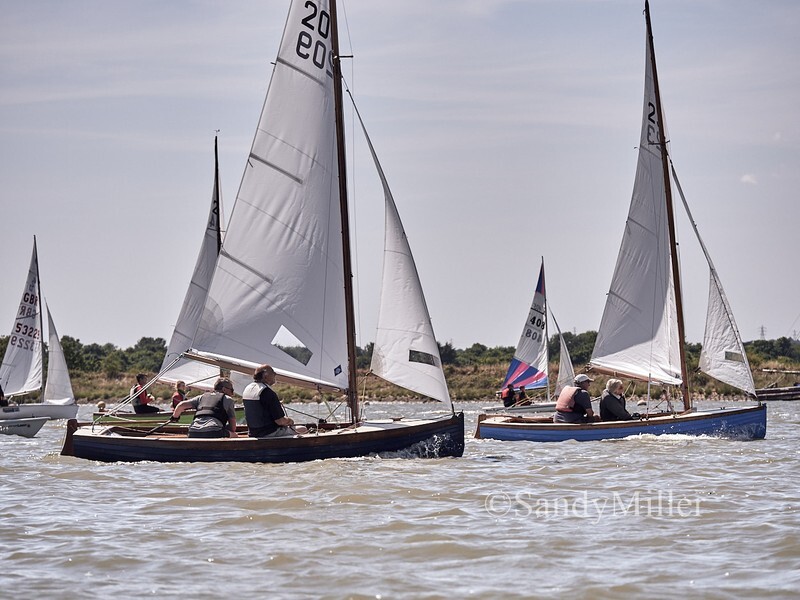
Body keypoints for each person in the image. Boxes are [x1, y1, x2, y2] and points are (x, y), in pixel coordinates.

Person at [242, 364, 307, 437]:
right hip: (270, 433)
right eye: (272, 372)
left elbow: (259, 407)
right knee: (303, 429)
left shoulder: (247, 389)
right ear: (265, 376)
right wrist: (290, 421)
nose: (275, 374)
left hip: (253, 433)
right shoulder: (267, 392)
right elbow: (280, 421)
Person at [172, 377, 238, 438]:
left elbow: (181, 405)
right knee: (234, 435)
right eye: (231, 390)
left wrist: (175, 417)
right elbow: (233, 428)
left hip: (192, 432)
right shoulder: (228, 399)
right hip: (213, 432)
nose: (232, 394)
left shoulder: (201, 397)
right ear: (224, 389)